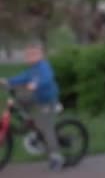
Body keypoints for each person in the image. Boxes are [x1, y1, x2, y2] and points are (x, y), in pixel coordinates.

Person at [0, 42, 64, 171]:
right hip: (35, 99)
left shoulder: (44, 66)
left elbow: (46, 78)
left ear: (41, 55)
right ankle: (28, 123)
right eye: (28, 54)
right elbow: (21, 78)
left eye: (33, 54)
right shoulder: (31, 69)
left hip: (47, 101)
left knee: (46, 127)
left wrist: (36, 84)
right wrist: (7, 81)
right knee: (17, 101)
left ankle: (56, 157)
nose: (30, 56)